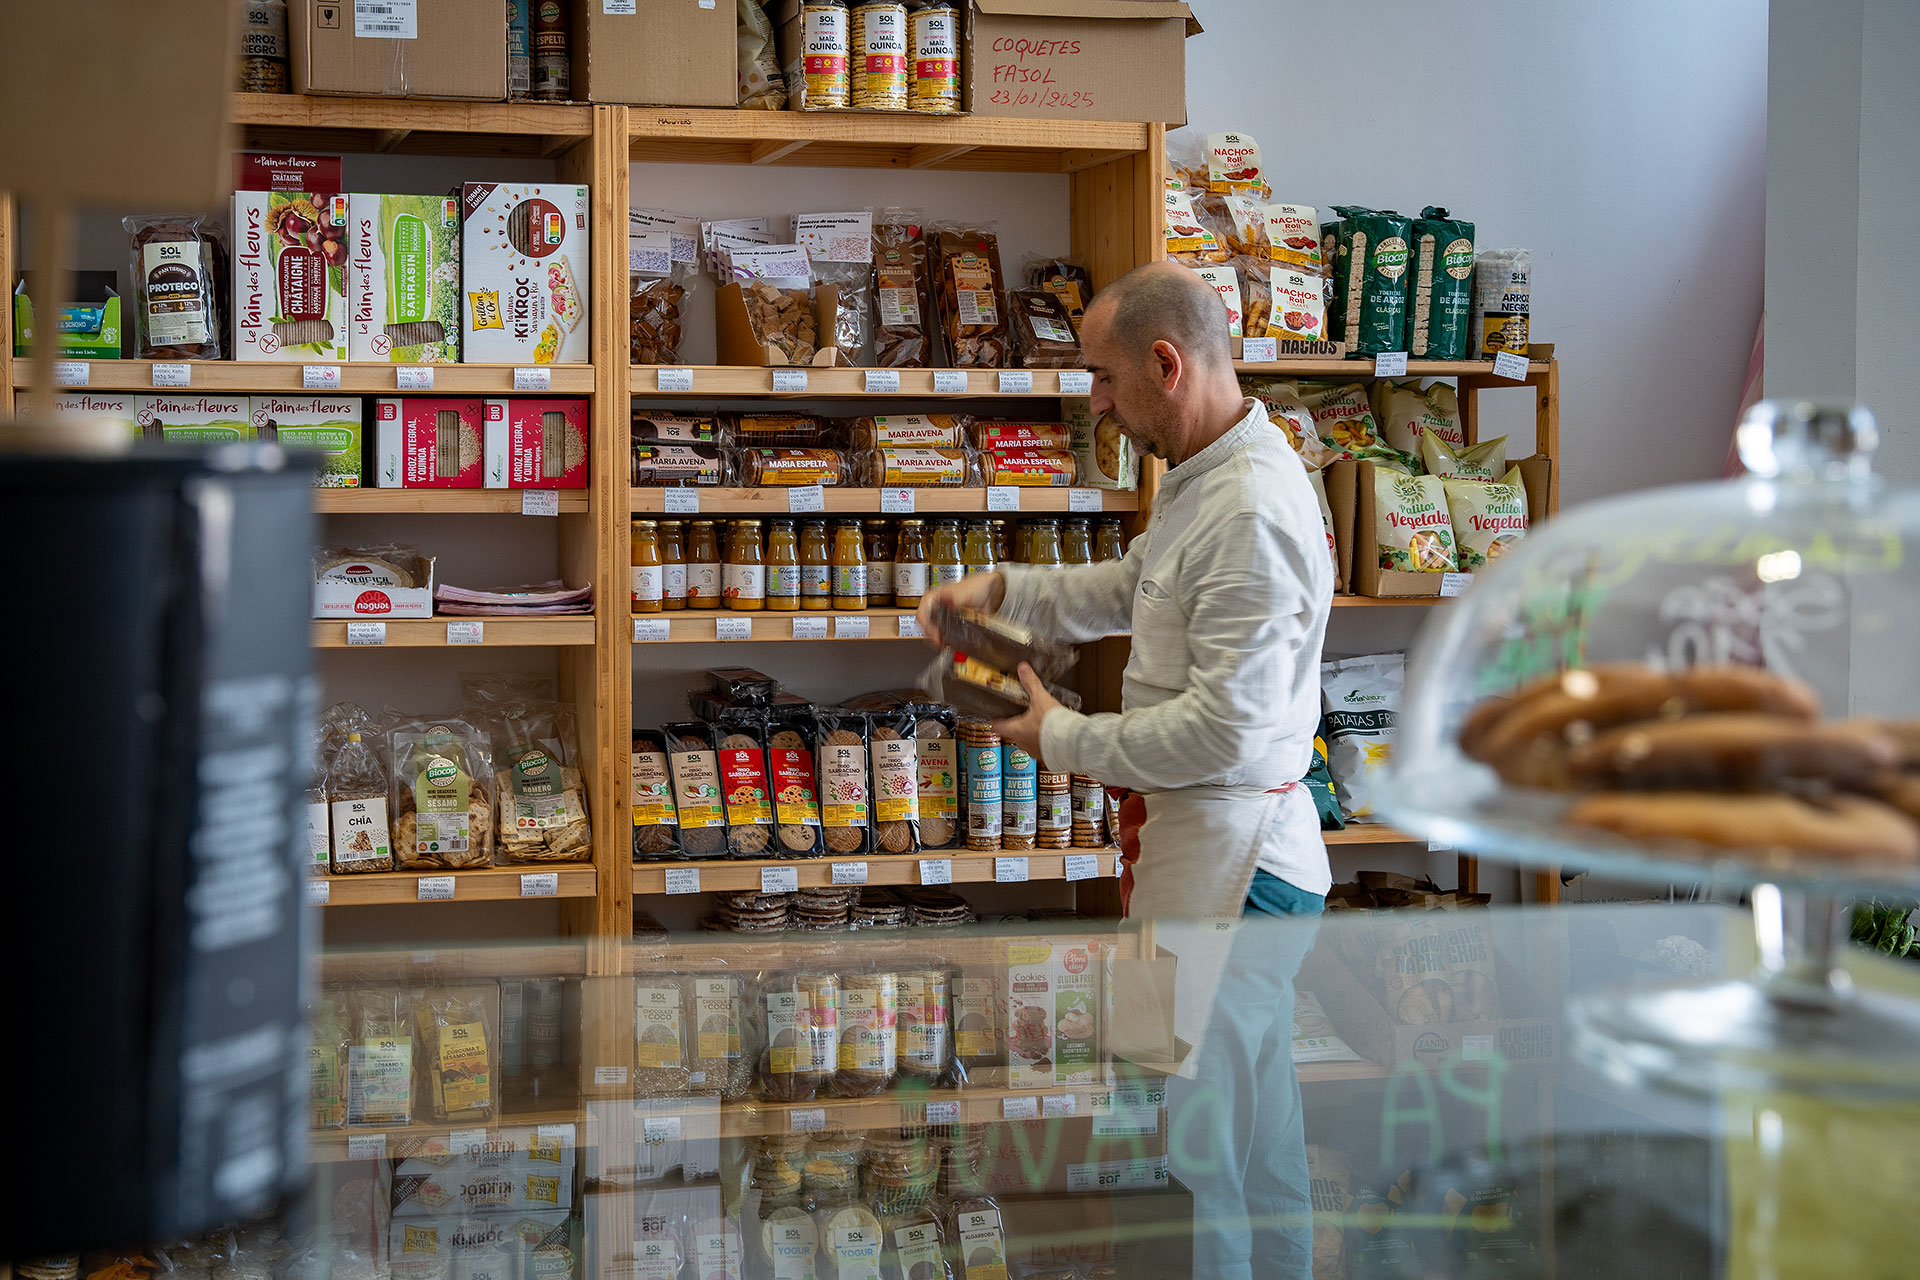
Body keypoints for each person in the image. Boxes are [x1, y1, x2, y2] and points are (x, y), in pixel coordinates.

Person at [916, 261, 1334, 1279]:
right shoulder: (1206, 477)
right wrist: (1006, 586)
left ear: (1166, 362)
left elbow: (1221, 733)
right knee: (1255, 1139)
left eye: (1105, 378)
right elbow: (1133, 587)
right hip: (1198, 859)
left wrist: (1061, 734)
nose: (1095, 401)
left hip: (1233, 878)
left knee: (1194, 1156)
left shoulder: (1249, 512)